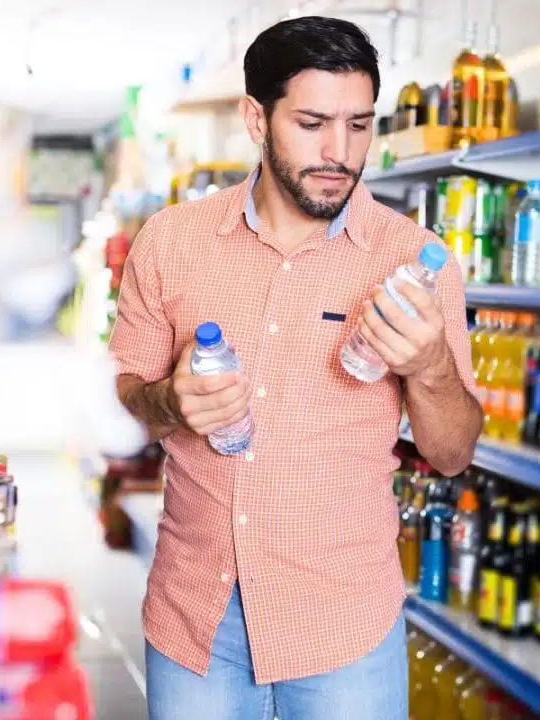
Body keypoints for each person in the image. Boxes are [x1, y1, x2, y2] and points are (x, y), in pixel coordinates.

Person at [109, 16, 482, 719]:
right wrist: (171, 402)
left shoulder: (414, 261)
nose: (339, 152)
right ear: (257, 117)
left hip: (344, 623)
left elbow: (454, 453)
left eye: (359, 125)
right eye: (312, 123)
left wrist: (430, 365)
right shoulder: (171, 242)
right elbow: (127, 394)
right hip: (198, 616)